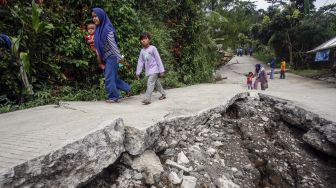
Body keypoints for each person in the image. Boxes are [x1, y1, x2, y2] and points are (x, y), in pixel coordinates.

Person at [92, 8, 131, 103]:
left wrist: (119, 58)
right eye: (93, 16)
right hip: (106, 58)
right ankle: (127, 88)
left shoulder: (107, 29)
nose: (94, 18)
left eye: (96, 16)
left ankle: (114, 96)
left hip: (112, 57)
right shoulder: (98, 29)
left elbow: (113, 45)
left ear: (101, 16)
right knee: (113, 77)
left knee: (109, 77)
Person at [136, 32, 166, 105]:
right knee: (156, 83)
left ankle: (147, 99)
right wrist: (138, 72)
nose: (143, 40)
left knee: (150, 83)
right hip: (149, 71)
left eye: (145, 38)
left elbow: (158, 59)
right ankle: (163, 94)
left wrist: (161, 70)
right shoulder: (142, 51)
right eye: (142, 39)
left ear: (149, 40)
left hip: (155, 69)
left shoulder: (153, 48)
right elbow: (140, 62)